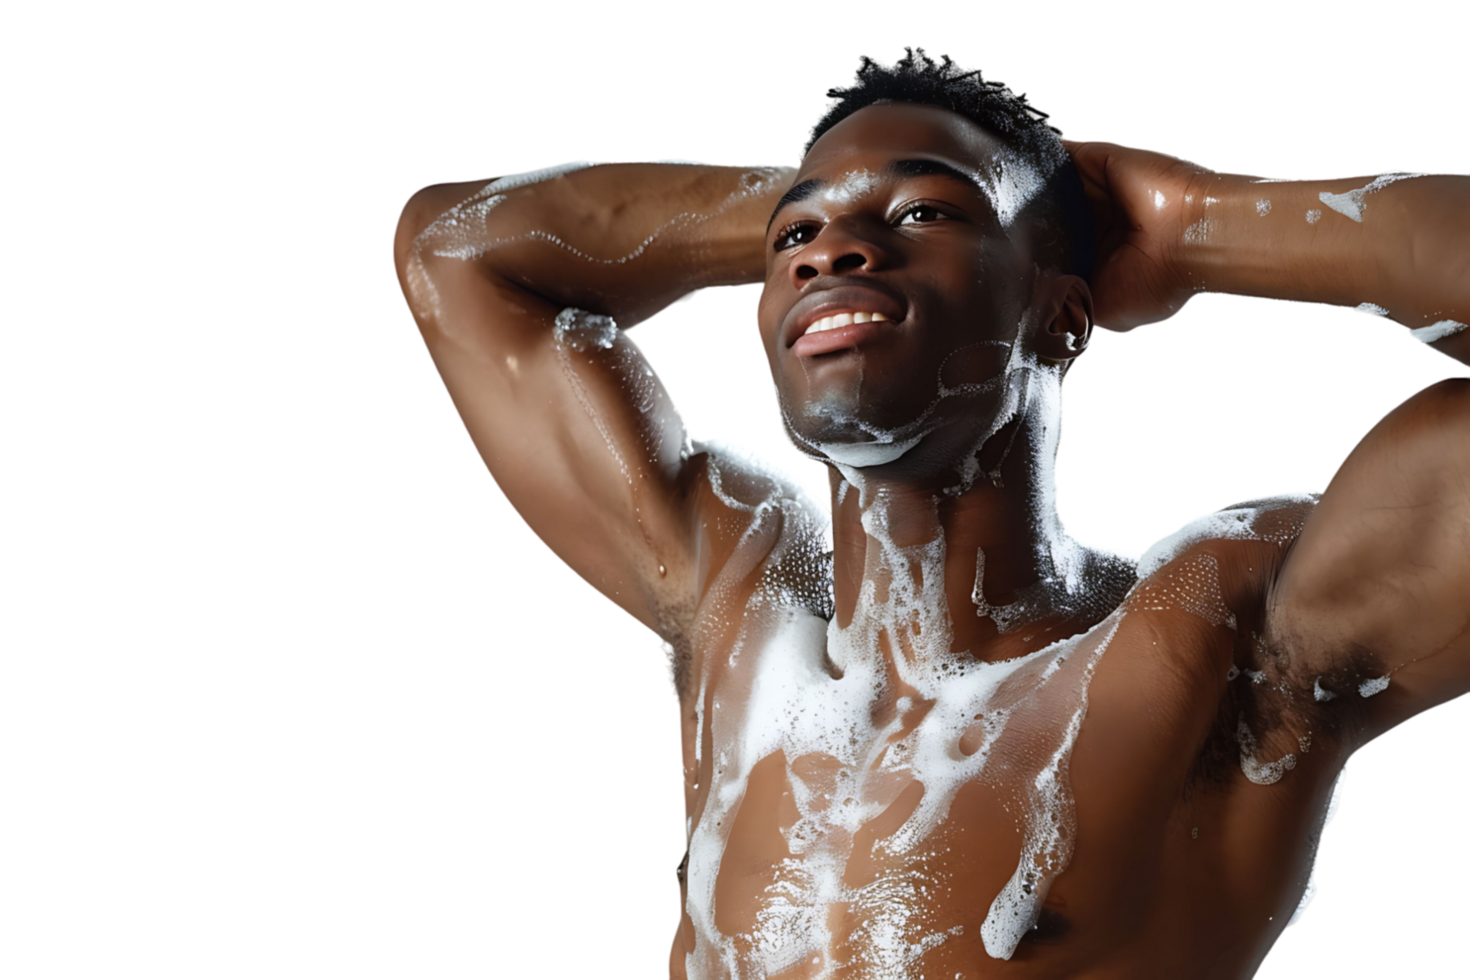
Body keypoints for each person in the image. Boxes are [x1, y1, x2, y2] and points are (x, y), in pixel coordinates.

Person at [389, 48, 1467, 979]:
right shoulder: (739, 609)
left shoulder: (1220, 636)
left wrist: (1178, 222)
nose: (831, 250)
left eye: (927, 213)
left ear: (1062, 315)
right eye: (795, 241)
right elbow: (454, 250)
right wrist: (829, 214)